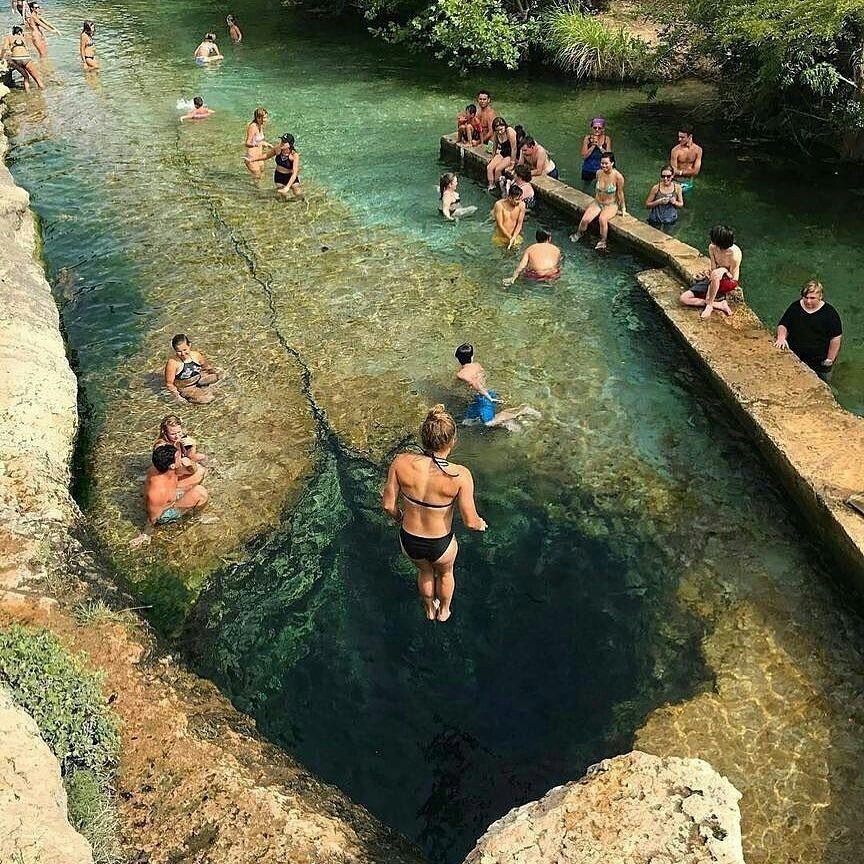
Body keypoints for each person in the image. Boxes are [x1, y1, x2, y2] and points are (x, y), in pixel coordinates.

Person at [382, 406, 487, 622]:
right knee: (446, 574)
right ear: (452, 441)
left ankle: (429, 609)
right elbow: (470, 521)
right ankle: (444, 611)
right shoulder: (460, 475)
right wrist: (480, 524)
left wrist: (399, 517)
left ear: (423, 438)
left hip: (409, 539)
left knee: (425, 572)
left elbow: (388, 505)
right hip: (441, 543)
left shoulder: (400, 462)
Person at [130, 445, 209, 547]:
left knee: (200, 472)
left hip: (170, 491)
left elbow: (192, 470)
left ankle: (185, 498)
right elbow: (153, 518)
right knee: (200, 492)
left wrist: (190, 463)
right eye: (178, 457)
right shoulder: (157, 493)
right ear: (172, 465)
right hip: (165, 511)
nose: (181, 458)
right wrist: (146, 534)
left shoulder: (162, 468)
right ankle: (197, 517)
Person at [454, 343, 541, 430]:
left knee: (488, 422)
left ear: (458, 358)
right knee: (468, 422)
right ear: (472, 356)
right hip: (479, 397)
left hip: (483, 397)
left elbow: (476, 385)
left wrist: (489, 397)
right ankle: (506, 422)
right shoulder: (477, 365)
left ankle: (522, 410)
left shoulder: (461, 374)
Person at [775, 281, 842, 379]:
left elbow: (835, 338)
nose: (808, 301)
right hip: (795, 355)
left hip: (819, 361)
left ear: (820, 296)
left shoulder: (830, 314)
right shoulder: (795, 307)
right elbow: (783, 324)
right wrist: (781, 337)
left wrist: (830, 359)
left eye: (812, 298)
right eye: (806, 297)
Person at [679, 225, 742, 319]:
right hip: (713, 279)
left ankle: (709, 305)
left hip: (729, 281)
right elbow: (713, 267)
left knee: (716, 274)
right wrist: (713, 274)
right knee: (684, 299)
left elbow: (732, 276)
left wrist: (723, 270)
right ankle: (719, 305)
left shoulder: (734, 254)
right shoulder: (712, 248)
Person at [570, 152, 626, 251]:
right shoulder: (598, 173)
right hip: (597, 202)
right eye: (602, 163)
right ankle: (579, 233)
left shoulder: (618, 177)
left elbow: (620, 193)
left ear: (612, 163)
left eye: (606, 163)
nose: (603, 165)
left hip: (610, 204)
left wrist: (623, 208)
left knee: (602, 219)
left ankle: (603, 241)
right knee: (585, 220)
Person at [164, 333, 224, 404]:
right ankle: (190, 398)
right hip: (186, 387)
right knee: (208, 398)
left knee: (221, 374)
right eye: (179, 351)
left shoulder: (196, 355)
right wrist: (177, 396)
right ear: (175, 350)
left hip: (199, 378)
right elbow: (169, 384)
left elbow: (206, 367)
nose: (183, 354)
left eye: (185, 349)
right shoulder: (173, 363)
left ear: (189, 345)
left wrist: (215, 373)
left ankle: (203, 388)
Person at [154, 414, 209, 483]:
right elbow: (167, 468)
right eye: (173, 434)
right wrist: (190, 467)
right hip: (172, 470)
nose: (177, 436)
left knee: (202, 457)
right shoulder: (162, 447)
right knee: (200, 472)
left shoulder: (181, 437)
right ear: (165, 433)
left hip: (180, 462)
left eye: (179, 432)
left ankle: (209, 470)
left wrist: (193, 445)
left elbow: (189, 455)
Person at [250, 133, 303, 198]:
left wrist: (287, 187)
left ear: (290, 144)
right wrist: (252, 159)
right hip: (279, 177)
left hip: (290, 176)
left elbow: (294, 173)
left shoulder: (294, 155)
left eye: (284, 142)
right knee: (285, 196)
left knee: (298, 193)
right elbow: (266, 156)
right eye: (282, 140)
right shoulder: (277, 149)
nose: (282, 143)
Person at [1, 24, 44, 89]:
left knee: (26, 77)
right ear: (20, 32)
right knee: (37, 79)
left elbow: (4, 48)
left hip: (16, 59)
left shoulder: (9, 37)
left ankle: (28, 93)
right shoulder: (23, 38)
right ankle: (42, 91)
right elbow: (26, 49)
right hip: (26, 59)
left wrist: (1, 57)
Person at [486, 117, 517, 190]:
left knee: (498, 169)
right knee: (489, 167)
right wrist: (493, 157)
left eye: (501, 129)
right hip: (502, 153)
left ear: (504, 126)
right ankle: (491, 185)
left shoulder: (509, 131)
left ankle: (499, 187)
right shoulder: (496, 133)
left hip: (510, 155)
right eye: (497, 130)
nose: (500, 132)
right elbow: (495, 146)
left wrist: (512, 163)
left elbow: (514, 148)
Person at [492, 185, 526, 250]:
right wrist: (509, 237)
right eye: (516, 199)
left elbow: (519, 223)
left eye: (520, 199)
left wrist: (513, 238)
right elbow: (500, 225)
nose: (519, 201)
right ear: (510, 197)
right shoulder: (499, 205)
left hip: (515, 237)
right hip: (500, 238)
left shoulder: (522, 205)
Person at [670, 128, 702, 192]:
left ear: (690, 136)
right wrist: (689, 171)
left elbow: (696, 171)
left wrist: (680, 172)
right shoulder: (675, 150)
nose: (679, 139)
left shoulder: (698, 150)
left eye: (682, 137)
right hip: (675, 181)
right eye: (679, 137)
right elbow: (674, 171)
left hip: (688, 182)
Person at [581, 118, 613, 183]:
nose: (597, 130)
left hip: (602, 169)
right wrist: (593, 145)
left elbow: (609, 156)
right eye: (595, 128)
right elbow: (584, 156)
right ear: (592, 128)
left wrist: (599, 146)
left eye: (599, 128)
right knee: (585, 186)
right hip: (588, 169)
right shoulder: (587, 138)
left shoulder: (606, 139)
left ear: (603, 129)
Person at [243, 107, 269, 177]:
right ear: (258, 118)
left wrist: (266, 144)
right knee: (257, 178)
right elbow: (247, 143)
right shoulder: (253, 127)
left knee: (263, 174)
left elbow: (258, 140)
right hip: (251, 157)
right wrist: (254, 145)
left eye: (266, 118)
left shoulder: (260, 125)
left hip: (259, 157)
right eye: (263, 118)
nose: (265, 120)